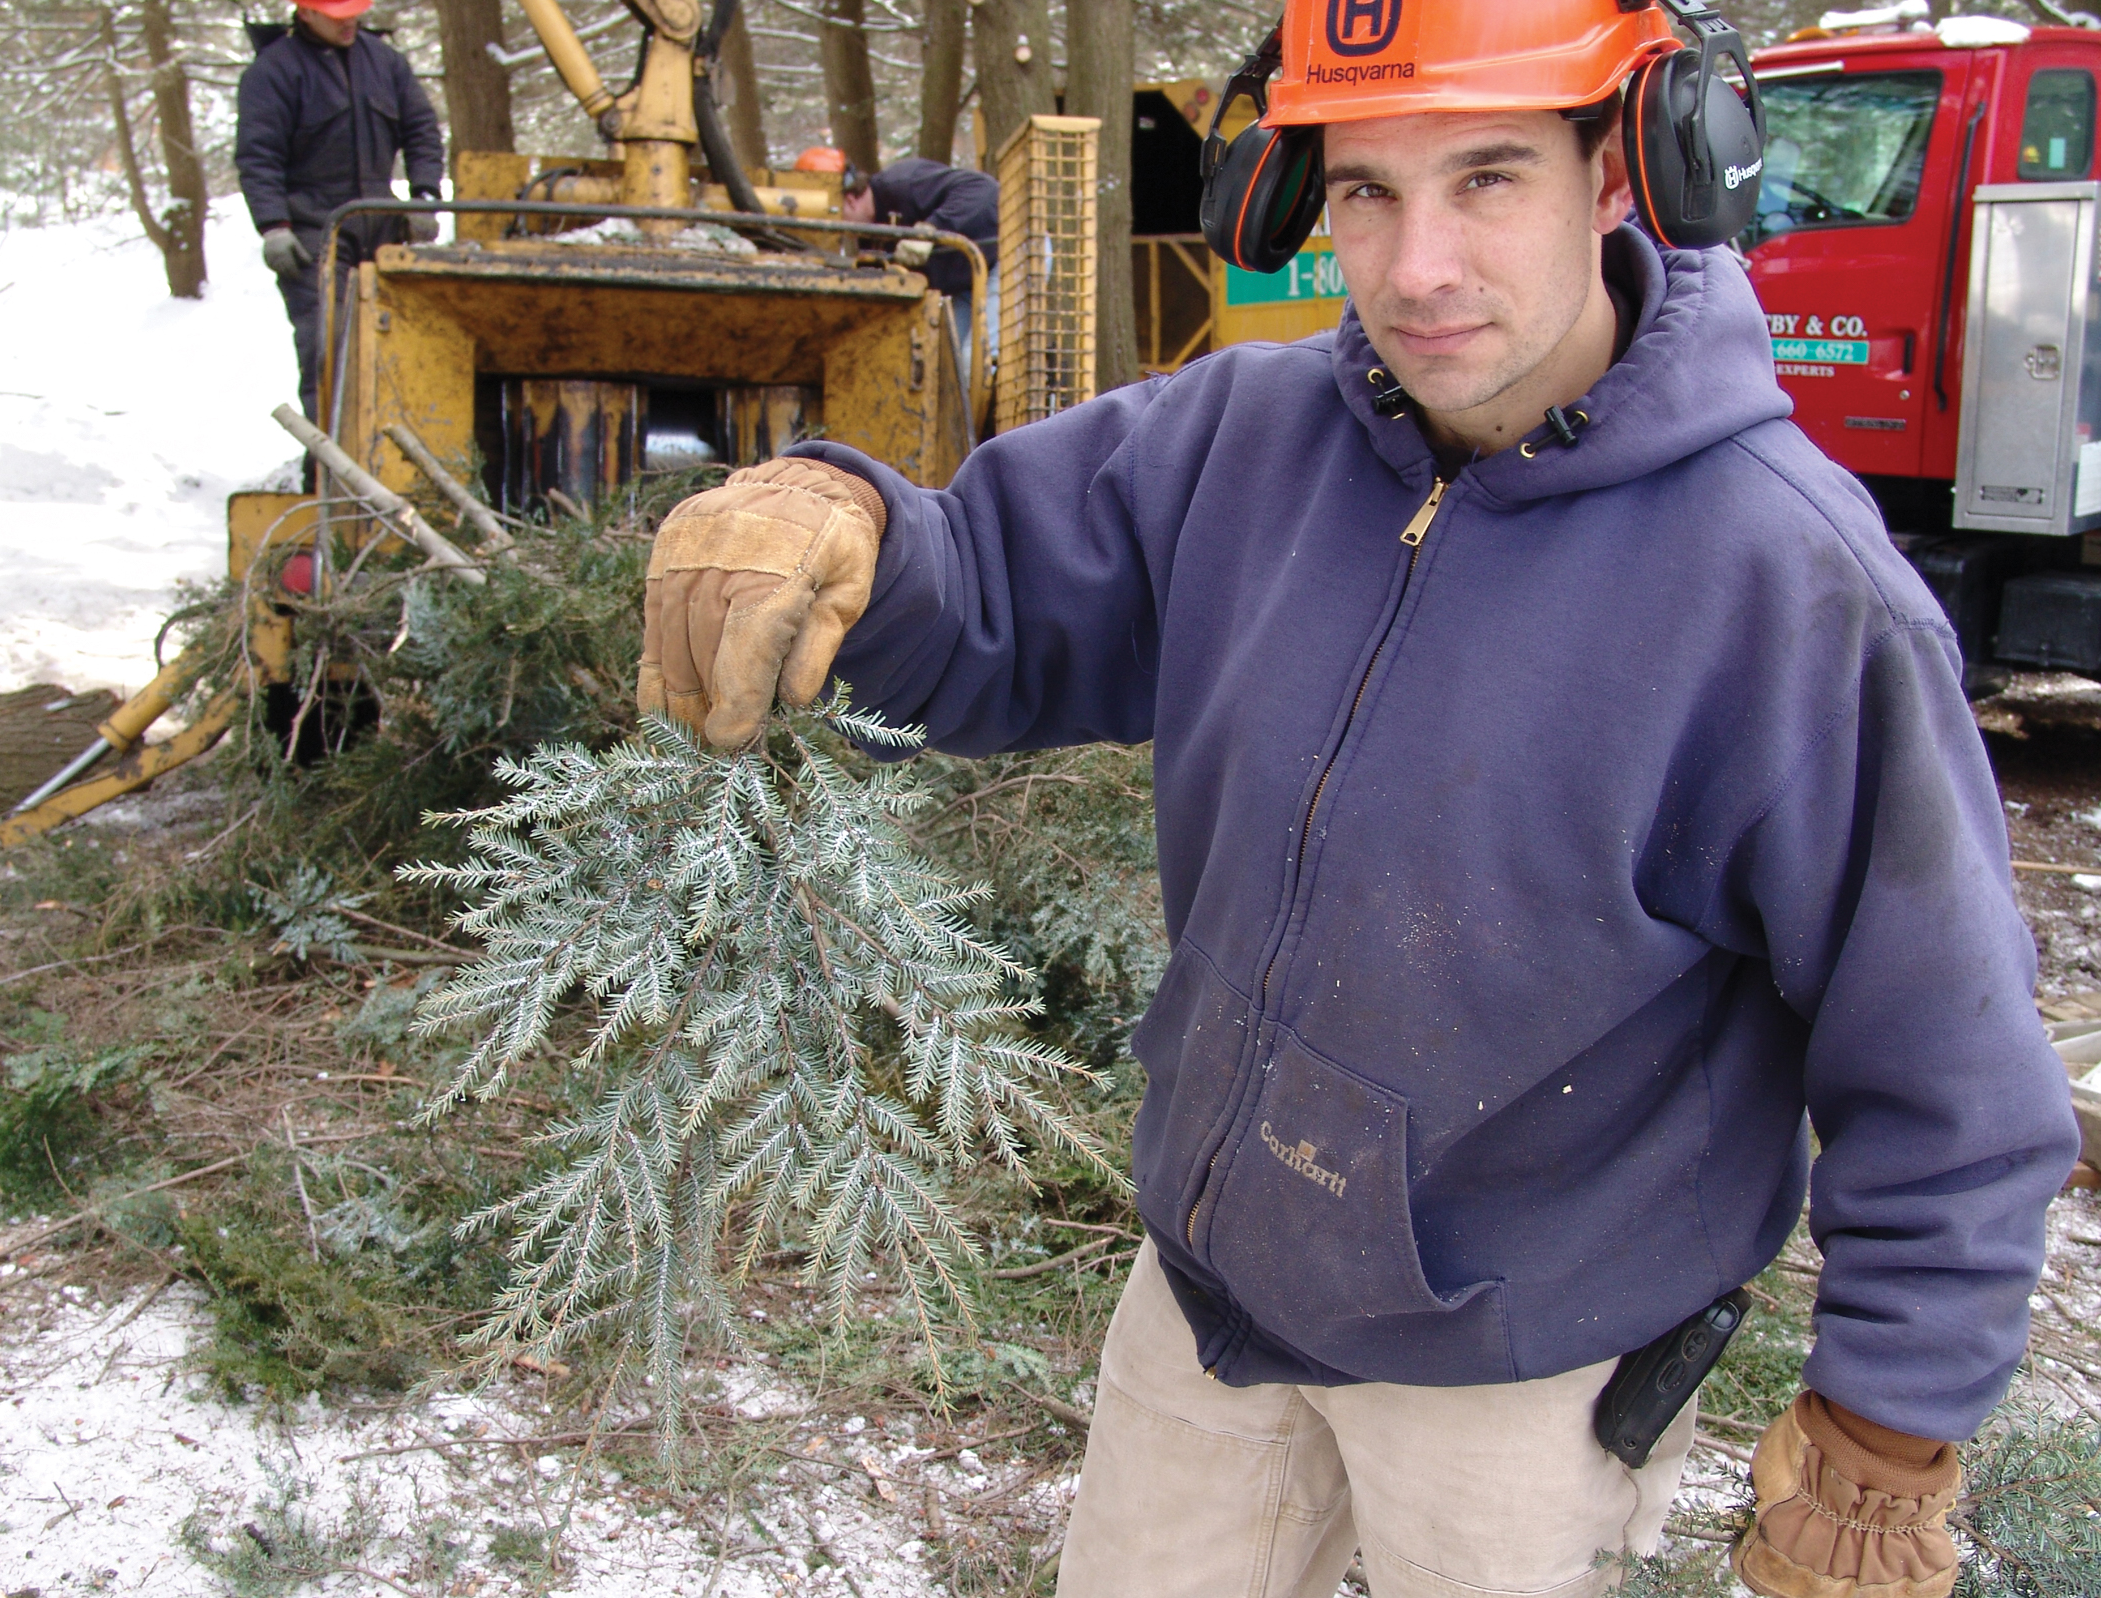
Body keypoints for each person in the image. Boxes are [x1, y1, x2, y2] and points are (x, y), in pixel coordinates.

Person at [636, 1, 2079, 1593]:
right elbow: (985, 595)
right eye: (1363, 191)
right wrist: (839, 513)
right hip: (1211, 1293)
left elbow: (1945, 1064)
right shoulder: (1237, 442)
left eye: (1485, 178)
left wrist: (1883, 1438)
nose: (1412, 271)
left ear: (1625, 172)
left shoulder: (1788, 589)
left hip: (1527, 1372)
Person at [235, 0, 444, 420]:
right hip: (315, 231)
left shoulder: (384, 61)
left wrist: (424, 196)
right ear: (307, 13)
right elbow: (259, 157)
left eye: (354, 10)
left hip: (383, 225)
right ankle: (328, 466)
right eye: (336, 14)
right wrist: (273, 226)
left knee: (407, 341)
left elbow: (422, 131)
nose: (349, 20)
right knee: (327, 346)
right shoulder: (274, 72)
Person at [841, 158, 998, 370]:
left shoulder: (903, 182)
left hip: (1011, 254)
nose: (842, 233)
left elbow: (983, 190)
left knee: (974, 363)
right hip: (968, 281)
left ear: (850, 200)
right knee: (946, 369)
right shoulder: (869, 235)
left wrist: (929, 230)